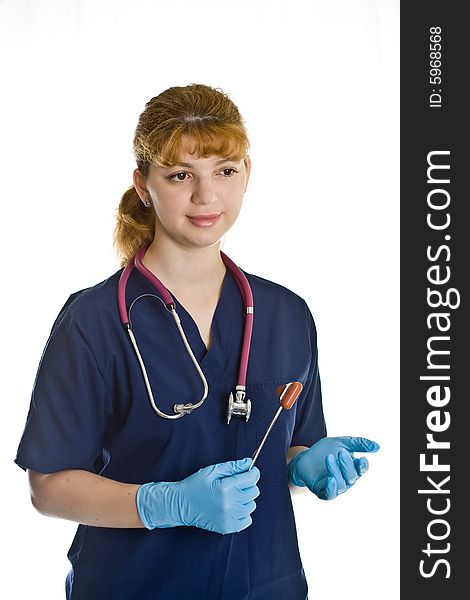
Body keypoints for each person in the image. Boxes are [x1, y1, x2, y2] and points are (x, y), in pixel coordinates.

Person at [15, 83, 379, 600]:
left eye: (224, 172)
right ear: (143, 185)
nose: (206, 196)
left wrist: (306, 464)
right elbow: (47, 486)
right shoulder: (93, 322)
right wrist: (169, 503)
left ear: (247, 174)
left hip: (266, 586)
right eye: (180, 175)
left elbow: (284, 448)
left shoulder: (286, 315)